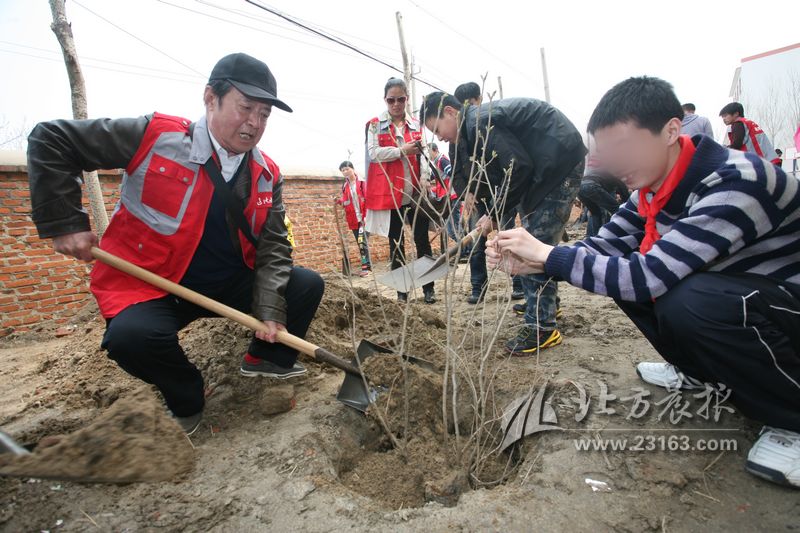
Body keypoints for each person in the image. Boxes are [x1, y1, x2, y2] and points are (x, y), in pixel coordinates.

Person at [487, 76, 800, 489]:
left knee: (689, 299)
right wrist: (534, 264)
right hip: (747, 292)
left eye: (625, 147)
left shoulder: (734, 182)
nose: (615, 164)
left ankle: (790, 418)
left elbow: (648, 277)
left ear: (671, 131)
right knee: (644, 283)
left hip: (786, 301)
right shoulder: (651, 188)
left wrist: (549, 254)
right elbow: (604, 249)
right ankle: (700, 373)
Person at [26, 53, 325, 435]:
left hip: (225, 282)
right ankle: (186, 394)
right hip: (151, 284)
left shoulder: (266, 173)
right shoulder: (155, 137)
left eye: (264, 114)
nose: (254, 122)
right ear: (210, 98)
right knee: (130, 339)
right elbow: (51, 139)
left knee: (305, 285)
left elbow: (274, 248)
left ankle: (265, 357)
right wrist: (65, 222)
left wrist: (270, 311)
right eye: (246, 107)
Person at [419, 91, 586, 353]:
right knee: (532, 236)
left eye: (437, 128)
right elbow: (467, 174)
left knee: (533, 242)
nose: (438, 137)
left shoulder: (479, 123)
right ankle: (547, 305)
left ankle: (541, 327)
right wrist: (476, 199)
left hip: (558, 163)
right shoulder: (466, 132)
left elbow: (517, 166)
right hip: (541, 170)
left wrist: (495, 214)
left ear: (451, 113)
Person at [364, 77, 435, 304]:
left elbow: (423, 156)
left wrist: (424, 178)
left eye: (401, 99)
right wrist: (401, 150)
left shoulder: (416, 125)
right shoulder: (375, 125)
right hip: (391, 195)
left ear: (406, 99)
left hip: (415, 194)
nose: (396, 104)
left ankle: (429, 289)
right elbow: (374, 153)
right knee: (396, 245)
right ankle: (402, 292)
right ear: (385, 100)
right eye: (391, 100)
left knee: (422, 241)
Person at [578, 149, 629, 237]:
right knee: (616, 209)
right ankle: (618, 234)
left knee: (595, 213)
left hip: (580, 188)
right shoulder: (616, 172)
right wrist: (628, 203)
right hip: (592, 186)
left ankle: (591, 238)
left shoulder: (601, 170)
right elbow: (623, 189)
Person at [719, 102, 781, 166]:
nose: (724, 119)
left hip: (763, 164)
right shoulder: (748, 123)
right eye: (722, 117)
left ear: (736, 114)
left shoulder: (738, 124)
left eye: (725, 115)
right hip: (771, 160)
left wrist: (722, 151)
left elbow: (736, 145)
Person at [337, 160, 371, 276]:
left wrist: (366, 216)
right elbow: (346, 201)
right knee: (360, 242)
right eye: (342, 170)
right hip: (353, 218)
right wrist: (338, 201)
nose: (345, 172)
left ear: (352, 169)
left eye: (347, 169)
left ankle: (366, 269)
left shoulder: (362, 182)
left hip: (364, 218)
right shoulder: (345, 186)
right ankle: (366, 266)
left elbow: (368, 199)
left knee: (362, 242)